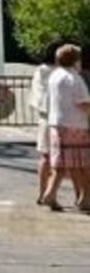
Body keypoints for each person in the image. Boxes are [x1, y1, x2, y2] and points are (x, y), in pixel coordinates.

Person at [39, 43, 90, 211]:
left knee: (61, 164)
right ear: (75, 59)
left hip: (57, 124)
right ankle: (85, 197)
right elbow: (83, 103)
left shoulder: (55, 76)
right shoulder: (74, 78)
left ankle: (50, 194)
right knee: (83, 164)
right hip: (75, 125)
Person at [29, 40, 62, 205]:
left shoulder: (41, 71)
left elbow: (37, 97)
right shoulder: (59, 72)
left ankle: (43, 193)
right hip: (58, 117)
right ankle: (49, 193)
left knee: (46, 156)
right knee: (62, 158)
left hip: (45, 117)